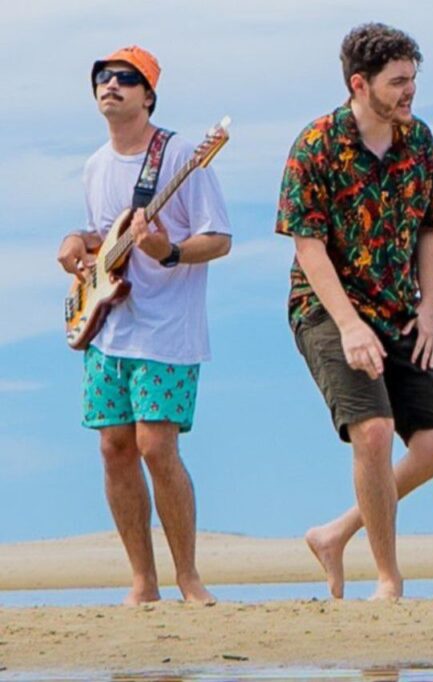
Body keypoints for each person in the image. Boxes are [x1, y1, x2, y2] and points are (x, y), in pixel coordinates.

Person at [275, 23, 433, 600]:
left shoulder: (420, 140)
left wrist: (429, 309)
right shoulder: (316, 145)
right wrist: (350, 326)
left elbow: (431, 228)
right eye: (398, 81)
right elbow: (307, 246)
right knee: (376, 431)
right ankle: (388, 579)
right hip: (327, 307)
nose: (409, 91)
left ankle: (335, 534)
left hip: (400, 308)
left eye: (413, 79)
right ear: (360, 84)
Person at [56, 46, 231, 605]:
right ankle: (142, 581)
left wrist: (170, 250)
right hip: (109, 326)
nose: (111, 85)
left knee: (157, 446)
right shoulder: (94, 165)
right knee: (113, 447)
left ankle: (188, 577)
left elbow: (220, 237)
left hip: (167, 331)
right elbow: (101, 234)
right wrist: (75, 245)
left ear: (148, 95)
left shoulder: (180, 156)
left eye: (126, 79)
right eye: (103, 77)